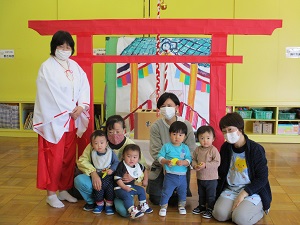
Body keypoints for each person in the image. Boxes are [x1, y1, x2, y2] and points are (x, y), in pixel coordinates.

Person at [33, 30, 90, 208]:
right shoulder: (47, 67)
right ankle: (51, 193)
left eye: (68, 46)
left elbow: (83, 85)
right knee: (54, 158)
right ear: (54, 47)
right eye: (61, 46)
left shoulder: (74, 66)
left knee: (67, 157)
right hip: (55, 121)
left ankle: (64, 188)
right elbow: (50, 93)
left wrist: (81, 106)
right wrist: (70, 108)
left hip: (72, 119)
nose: (65, 49)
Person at [74, 115, 147, 217]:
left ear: (124, 130)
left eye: (118, 131)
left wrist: (133, 176)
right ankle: (95, 201)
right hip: (100, 178)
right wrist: (93, 172)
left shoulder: (131, 145)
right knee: (79, 180)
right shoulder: (99, 142)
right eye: (110, 132)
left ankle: (112, 202)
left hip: (120, 185)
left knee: (125, 212)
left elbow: (142, 166)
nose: (114, 135)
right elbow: (82, 160)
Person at [212, 112, 272, 225]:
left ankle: (260, 209)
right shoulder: (225, 148)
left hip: (252, 191)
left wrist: (244, 194)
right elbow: (221, 170)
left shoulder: (256, 149)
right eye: (224, 131)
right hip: (231, 189)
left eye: (230, 130)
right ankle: (239, 211)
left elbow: (262, 178)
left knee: (240, 219)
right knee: (219, 214)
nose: (227, 134)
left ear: (240, 129)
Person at [147, 92, 197, 205]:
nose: (166, 108)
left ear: (177, 107)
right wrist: (165, 164)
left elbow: (191, 148)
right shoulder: (156, 126)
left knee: (177, 199)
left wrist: (184, 162)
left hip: (180, 167)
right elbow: (155, 150)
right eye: (163, 106)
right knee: (156, 199)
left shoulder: (186, 125)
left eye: (169, 105)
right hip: (162, 165)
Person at [157, 121, 192, 217]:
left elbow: (189, 159)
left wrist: (183, 162)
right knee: (166, 192)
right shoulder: (166, 146)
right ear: (170, 134)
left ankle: (181, 206)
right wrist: (166, 161)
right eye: (174, 134)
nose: (177, 137)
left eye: (180, 135)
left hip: (182, 176)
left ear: (184, 136)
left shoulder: (185, 148)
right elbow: (159, 157)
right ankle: (163, 207)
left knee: (182, 192)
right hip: (170, 175)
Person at [83, 130, 119, 215]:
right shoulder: (93, 154)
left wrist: (112, 169)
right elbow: (90, 164)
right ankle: (99, 204)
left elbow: (116, 162)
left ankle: (109, 205)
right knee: (98, 190)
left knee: (110, 191)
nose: (99, 145)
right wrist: (93, 173)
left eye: (102, 142)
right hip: (98, 177)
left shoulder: (110, 153)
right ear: (92, 145)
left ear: (106, 143)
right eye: (96, 143)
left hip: (109, 177)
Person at [114, 144, 153, 219]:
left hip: (130, 187)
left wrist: (145, 180)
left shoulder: (137, 165)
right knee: (127, 196)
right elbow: (117, 179)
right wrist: (124, 187)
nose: (132, 159)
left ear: (138, 158)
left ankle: (142, 205)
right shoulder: (121, 165)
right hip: (119, 188)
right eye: (129, 156)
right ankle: (132, 211)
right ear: (123, 156)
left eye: (135, 157)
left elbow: (145, 170)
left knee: (141, 190)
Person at [191, 125, 220, 219]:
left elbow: (217, 162)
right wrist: (195, 165)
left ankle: (210, 208)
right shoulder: (197, 149)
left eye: (208, 138)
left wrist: (206, 165)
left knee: (211, 195)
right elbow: (193, 159)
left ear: (213, 139)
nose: (205, 140)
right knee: (201, 193)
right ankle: (202, 206)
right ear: (198, 138)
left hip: (211, 178)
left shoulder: (213, 150)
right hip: (200, 177)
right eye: (202, 138)